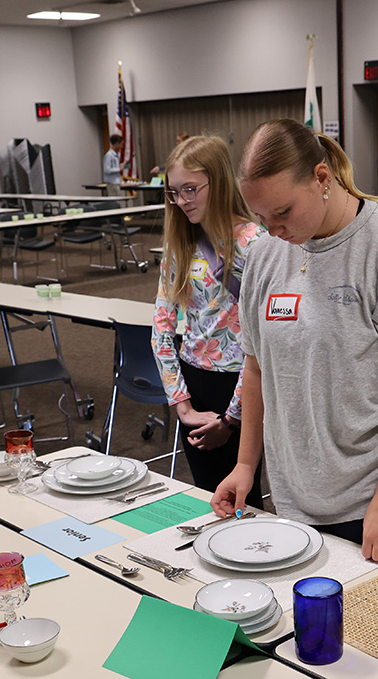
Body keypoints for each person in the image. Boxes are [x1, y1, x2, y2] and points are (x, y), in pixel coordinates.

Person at [211, 118, 378, 563]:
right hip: (294, 495)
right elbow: (256, 366)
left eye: (283, 212)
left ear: (322, 178)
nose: (272, 229)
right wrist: (246, 464)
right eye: (261, 217)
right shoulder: (267, 254)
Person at [152, 135, 264, 500]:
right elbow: (162, 327)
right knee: (207, 496)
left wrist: (232, 419)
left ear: (218, 181)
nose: (181, 201)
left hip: (244, 384)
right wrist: (182, 405)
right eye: (173, 192)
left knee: (244, 497)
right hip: (194, 384)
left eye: (190, 189)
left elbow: (264, 341)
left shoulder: (255, 243)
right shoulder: (181, 243)